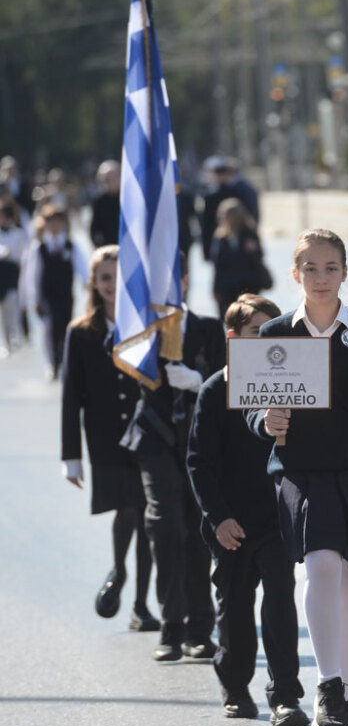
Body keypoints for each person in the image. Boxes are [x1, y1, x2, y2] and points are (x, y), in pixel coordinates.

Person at [247, 229, 348, 726]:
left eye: (330, 267)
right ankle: (327, 686)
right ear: (295, 274)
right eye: (310, 268)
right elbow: (254, 408)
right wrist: (265, 421)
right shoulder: (276, 332)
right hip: (302, 470)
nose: (320, 278)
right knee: (320, 567)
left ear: (344, 272)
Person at [187, 294, 308, 726]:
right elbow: (199, 461)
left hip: (276, 519)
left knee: (279, 608)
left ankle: (285, 697)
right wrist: (219, 518)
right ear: (234, 338)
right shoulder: (215, 389)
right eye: (259, 332)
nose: (268, 340)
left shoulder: (292, 382)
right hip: (231, 525)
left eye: (275, 330)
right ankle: (236, 689)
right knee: (236, 609)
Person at [125, 262, 223, 662]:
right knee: (164, 525)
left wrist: (200, 380)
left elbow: (228, 376)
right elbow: (116, 357)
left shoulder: (207, 328)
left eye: (173, 278)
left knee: (198, 531)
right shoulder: (139, 329)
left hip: (198, 442)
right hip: (155, 438)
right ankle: (171, 626)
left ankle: (200, 628)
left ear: (185, 280)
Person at [60, 246, 157, 632]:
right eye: (104, 278)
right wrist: (71, 457)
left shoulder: (149, 325)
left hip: (149, 434)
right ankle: (119, 570)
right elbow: (71, 397)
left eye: (118, 277)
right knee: (129, 508)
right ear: (94, 284)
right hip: (105, 439)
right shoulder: (81, 332)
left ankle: (141, 605)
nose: (112, 285)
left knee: (150, 516)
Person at [22, 206, 87, 380]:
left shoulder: (71, 246)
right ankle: (51, 364)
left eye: (58, 221)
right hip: (47, 296)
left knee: (66, 327)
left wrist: (88, 285)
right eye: (51, 222)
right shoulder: (39, 248)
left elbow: (82, 269)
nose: (55, 225)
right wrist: (33, 298)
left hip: (65, 294)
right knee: (49, 329)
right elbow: (32, 275)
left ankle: (65, 361)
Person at [209, 198, 271, 318]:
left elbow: (259, 258)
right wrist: (215, 289)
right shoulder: (220, 237)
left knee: (248, 318)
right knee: (229, 319)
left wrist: (252, 251)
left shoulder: (249, 234)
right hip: (227, 287)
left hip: (247, 286)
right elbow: (217, 265)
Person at [0, 199, 26, 354]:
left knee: (12, 305)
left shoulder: (19, 234)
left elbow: (22, 253)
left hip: (12, 274)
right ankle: (4, 342)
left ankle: (14, 335)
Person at [88, 160, 122, 249]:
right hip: (108, 248)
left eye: (113, 178)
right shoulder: (99, 202)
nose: (110, 182)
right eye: (106, 180)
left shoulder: (127, 199)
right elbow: (94, 229)